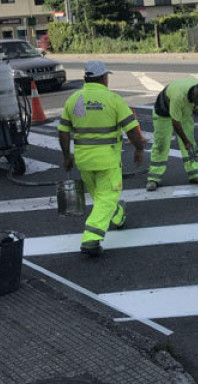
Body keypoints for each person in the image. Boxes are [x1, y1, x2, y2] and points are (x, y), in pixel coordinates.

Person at [58, 61, 147, 257]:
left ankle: (118, 216)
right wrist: (139, 149)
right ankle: (91, 238)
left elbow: (63, 131)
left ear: (85, 78)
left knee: (100, 196)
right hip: (107, 159)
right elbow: (131, 130)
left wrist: (67, 156)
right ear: (104, 78)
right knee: (107, 196)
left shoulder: (75, 100)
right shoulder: (112, 99)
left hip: (83, 159)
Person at [145, 78, 198, 192]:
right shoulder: (178, 97)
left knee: (191, 143)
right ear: (195, 97)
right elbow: (175, 122)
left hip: (183, 111)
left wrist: (195, 108)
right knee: (161, 144)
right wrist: (185, 141)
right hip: (163, 113)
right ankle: (154, 178)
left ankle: (195, 174)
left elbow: (193, 104)